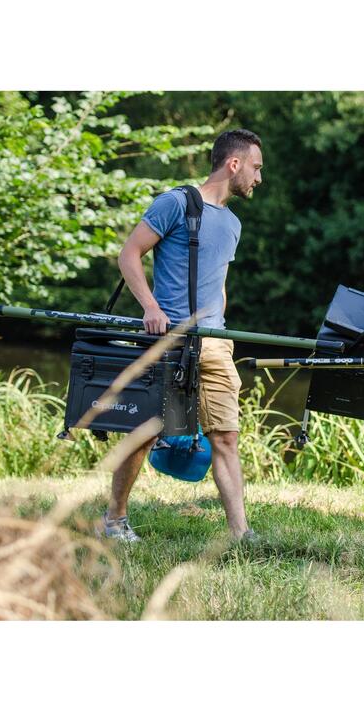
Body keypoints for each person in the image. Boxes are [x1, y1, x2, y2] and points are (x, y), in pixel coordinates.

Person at [100, 129, 263, 543]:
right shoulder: (175, 202)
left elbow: (219, 281)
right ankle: (114, 519)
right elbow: (129, 254)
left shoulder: (233, 223)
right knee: (146, 430)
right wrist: (150, 308)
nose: (259, 178)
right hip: (168, 338)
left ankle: (239, 533)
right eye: (257, 168)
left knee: (225, 435)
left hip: (214, 341)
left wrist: (221, 332)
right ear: (234, 163)